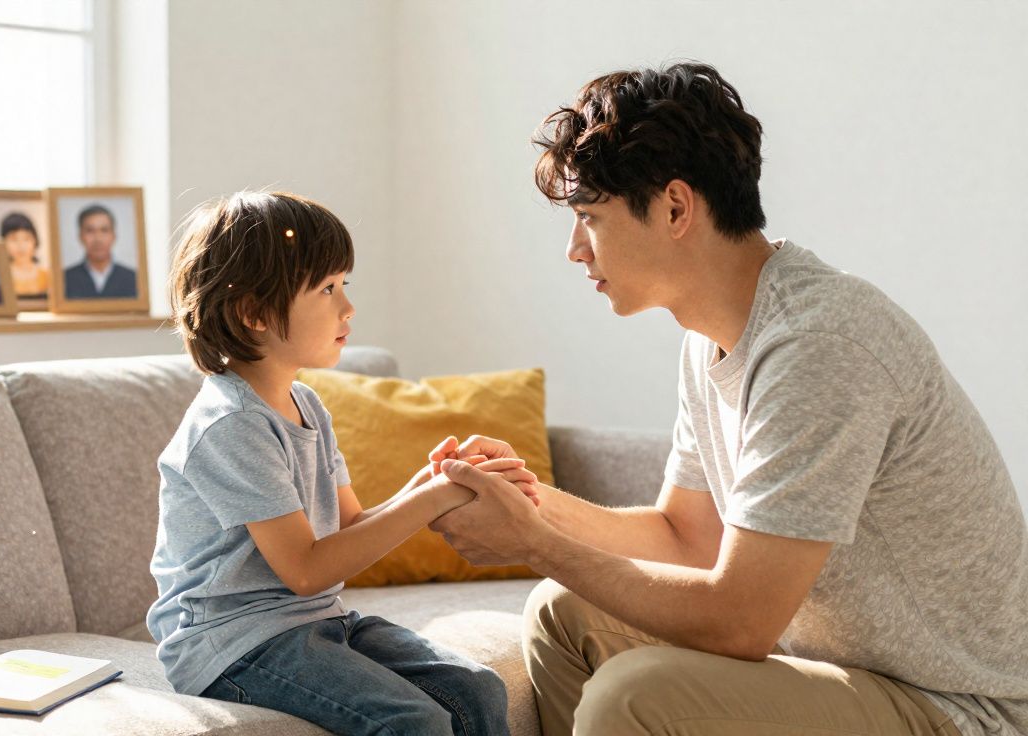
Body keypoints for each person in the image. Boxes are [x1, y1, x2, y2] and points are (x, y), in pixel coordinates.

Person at [428, 62, 1027, 736]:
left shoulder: (820, 342)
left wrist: (534, 543)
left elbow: (741, 621)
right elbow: (687, 537)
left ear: (676, 208)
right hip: (842, 674)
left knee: (632, 694)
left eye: (589, 218)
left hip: (955, 707)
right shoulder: (709, 338)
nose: (574, 250)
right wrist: (526, 501)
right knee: (562, 614)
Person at [148, 191, 524, 735]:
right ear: (253, 312)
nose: (348, 307)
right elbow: (306, 571)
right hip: (232, 643)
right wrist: (434, 499)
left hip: (314, 622)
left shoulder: (308, 405)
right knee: (410, 720)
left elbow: (349, 528)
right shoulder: (231, 425)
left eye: (344, 284)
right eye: (326, 289)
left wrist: (437, 481)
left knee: (477, 688)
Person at [62, 204, 137, 299]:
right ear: (80, 236)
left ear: (114, 236)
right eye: (90, 231)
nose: (98, 239)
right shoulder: (64, 279)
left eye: (104, 230)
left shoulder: (134, 279)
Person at [0, 212, 48, 297]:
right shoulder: (0, 278)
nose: (21, 245)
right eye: (14, 239)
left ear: (35, 241)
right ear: (3, 242)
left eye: (26, 239)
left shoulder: (47, 276)